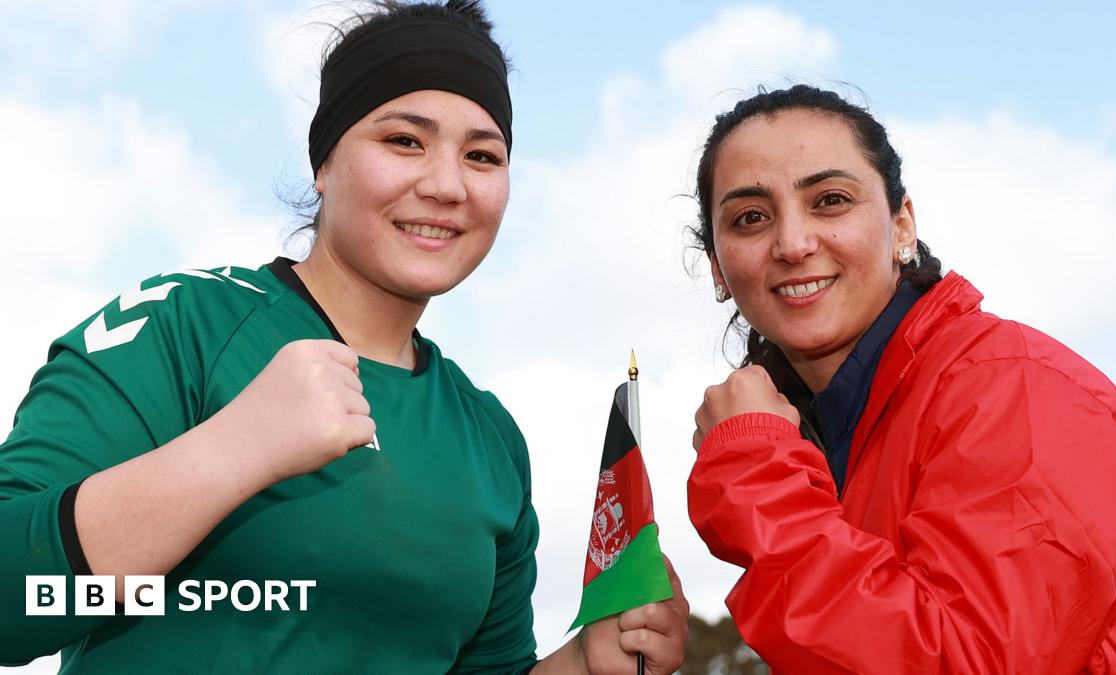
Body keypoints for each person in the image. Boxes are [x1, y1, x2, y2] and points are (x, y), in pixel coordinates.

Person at [0, 1, 688, 672]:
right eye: (404, 141)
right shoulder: (183, 324)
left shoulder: (490, 437)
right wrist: (230, 452)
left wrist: (584, 663)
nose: (447, 185)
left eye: (483, 155)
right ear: (323, 163)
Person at [686, 84, 1116, 673]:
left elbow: (969, 660)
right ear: (719, 267)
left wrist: (756, 471)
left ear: (902, 226)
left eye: (830, 200)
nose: (793, 244)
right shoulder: (812, 434)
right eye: (750, 218)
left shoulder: (1010, 386)